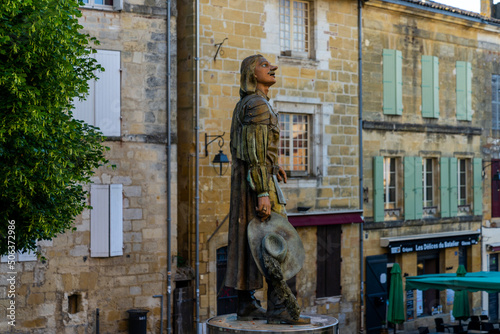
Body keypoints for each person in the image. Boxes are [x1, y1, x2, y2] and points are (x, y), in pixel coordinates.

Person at [226, 55, 308, 325]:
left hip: (253, 178)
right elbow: (255, 151)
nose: (272, 67)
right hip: (256, 184)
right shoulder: (257, 105)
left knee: (248, 240)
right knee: (273, 241)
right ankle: (279, 308)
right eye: (264, 65)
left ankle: (246, 304)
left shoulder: (250, 104)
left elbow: (258, 148)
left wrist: (275, 165)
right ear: (251, 74)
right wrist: (263, 190)